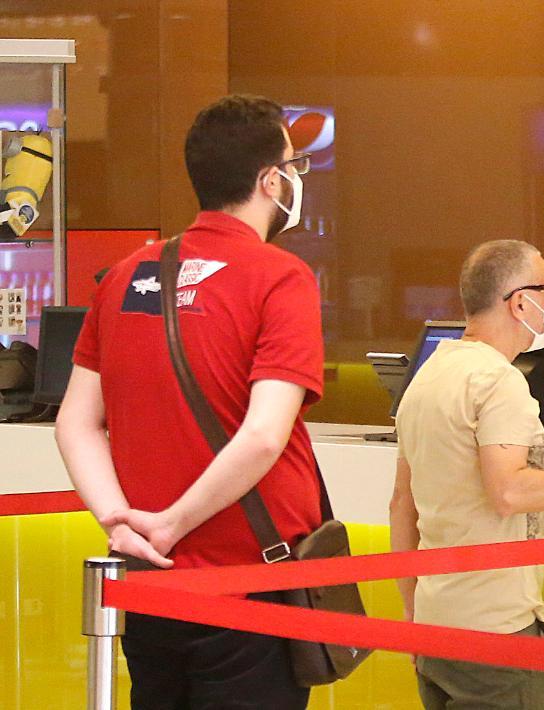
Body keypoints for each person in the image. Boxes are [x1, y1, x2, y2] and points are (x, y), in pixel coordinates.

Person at [54, 94, 323, 709]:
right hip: (250, 584)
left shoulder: (125, 275)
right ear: (270, 180)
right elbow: (264, 435)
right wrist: (172, 523)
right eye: (294, 165)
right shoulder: (280, 277)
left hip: (148, 582)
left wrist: (122, 524)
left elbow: (75, 423)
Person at [389, 239, 544, 710]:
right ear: (520, 302)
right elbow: (508, 491)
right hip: (496, 629)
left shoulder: (428, 374)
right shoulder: (499, 381)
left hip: (434, 623)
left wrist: (412, 612)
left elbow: (402, 506)